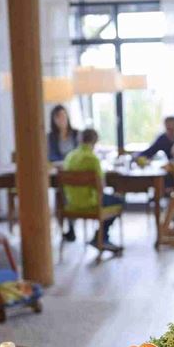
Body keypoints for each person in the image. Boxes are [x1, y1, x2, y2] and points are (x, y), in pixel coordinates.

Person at [63, 128, 124, 252]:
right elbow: (102, 186)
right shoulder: (92, 159)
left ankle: (99, 237)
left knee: (110, 199)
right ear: (95, 141)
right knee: (119, 200)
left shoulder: (70, 156)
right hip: (91, 203)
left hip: (71, 204)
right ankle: (101, 237)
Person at [47, 105, 80, 241]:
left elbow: (79, 153)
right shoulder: (51, 137)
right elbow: (51, 156)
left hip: (75, 172)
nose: (61, 119)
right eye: (58, 116)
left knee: (68, 193)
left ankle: (71, 226)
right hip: (59, 172)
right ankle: (65, 228)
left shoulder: (76, 134)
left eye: (63, 115)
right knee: (60, 194)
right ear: (54, 119)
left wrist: (69, 162)